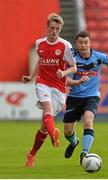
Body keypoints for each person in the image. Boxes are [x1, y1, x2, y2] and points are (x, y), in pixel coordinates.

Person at [22, 13, 77, 167]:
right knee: (47, 107)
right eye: (52, 28)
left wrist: (64, 73)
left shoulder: (65, 45)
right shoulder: (39, 43)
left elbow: (74, 66)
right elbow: (40, 60)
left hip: (59, 87)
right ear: (47, 28)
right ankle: (54, 133)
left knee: (44, 125)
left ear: (60, 29)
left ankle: (32, 153)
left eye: (57, 29)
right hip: (43, 82)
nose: (54, 31)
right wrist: (32, 76)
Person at [63, 30, 108, 164]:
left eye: (86, 42)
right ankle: (74, 142)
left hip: (92, 96)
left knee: (88, 121)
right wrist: (76, 82)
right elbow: (64, 79)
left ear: (90, 43)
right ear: (76, 43)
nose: (83, 45)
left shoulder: (98, 56)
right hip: (74, 97)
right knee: (67, 132)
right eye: (80, 42)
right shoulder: (72, 59)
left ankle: (85, 153)